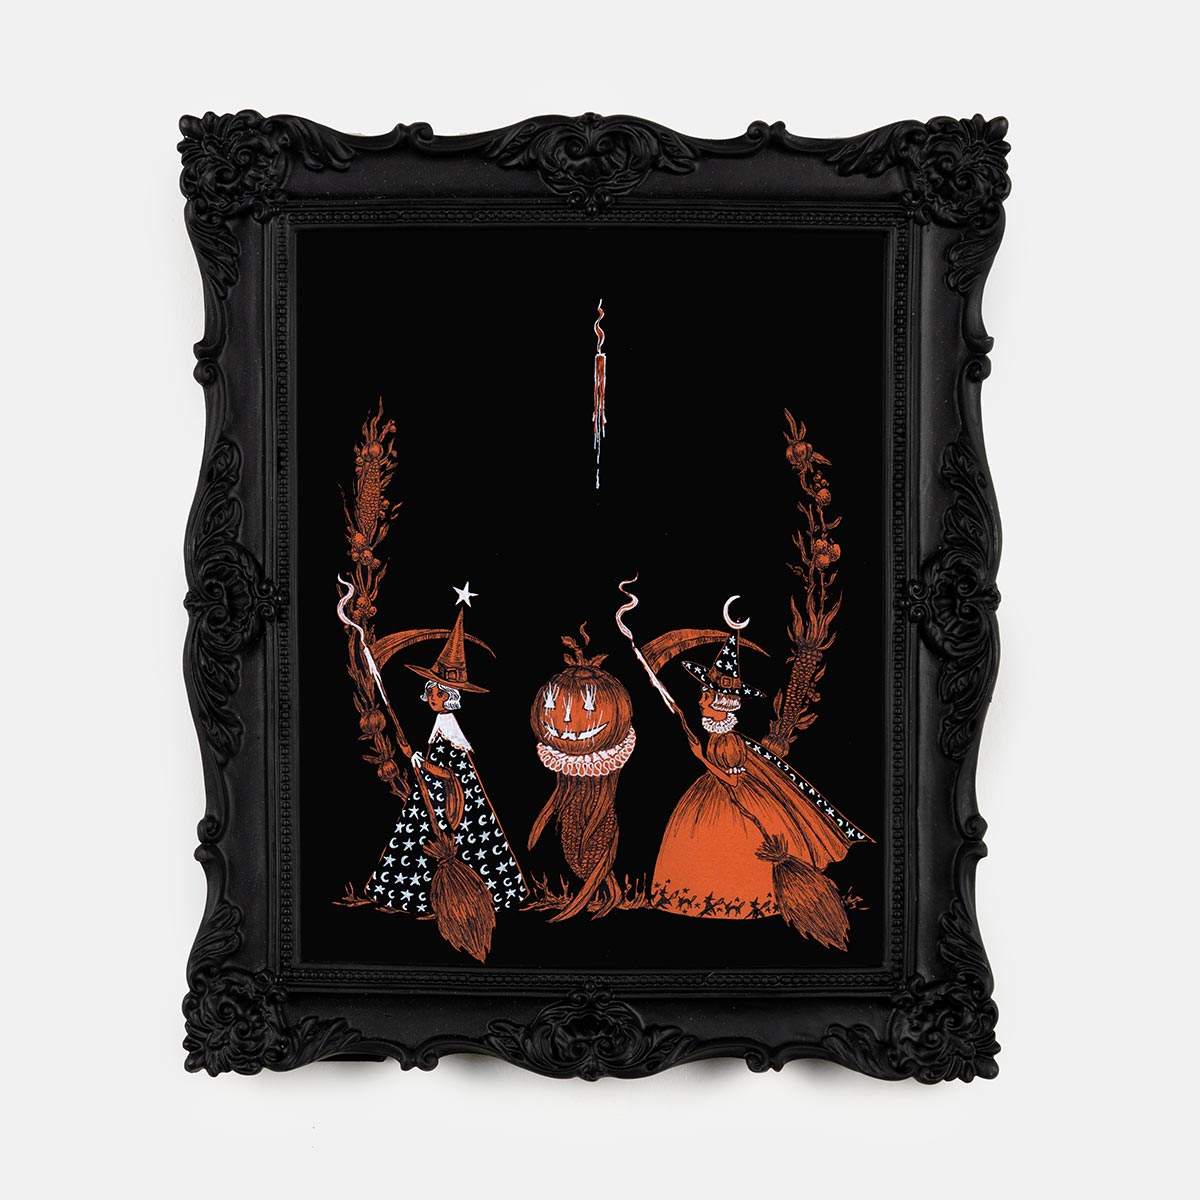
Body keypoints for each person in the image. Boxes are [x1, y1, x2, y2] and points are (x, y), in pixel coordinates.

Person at [649, 619, 871, 922]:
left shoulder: (729, 741)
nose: (700, 701)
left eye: (706, 695)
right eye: (702, 694)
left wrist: (701, 758)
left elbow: (734, 781)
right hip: (715, 792)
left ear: (722, 702)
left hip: (732, 800)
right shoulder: (718, 734)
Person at [365, 607, 528, 915]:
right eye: (431, 692)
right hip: (434, 795)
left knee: (467, 844)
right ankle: (416, 897)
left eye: (438, 693)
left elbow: (448, 773)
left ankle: (470, 897)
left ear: (450, 697)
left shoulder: (450, 729)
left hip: (453, 802)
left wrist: (416, 760)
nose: (432, 697)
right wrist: (413, 756)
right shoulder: (440, 725)